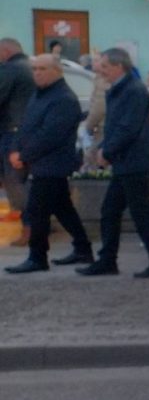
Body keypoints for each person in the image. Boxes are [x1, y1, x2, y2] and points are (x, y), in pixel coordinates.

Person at [75, 48, 149, 279]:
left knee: (139, 212)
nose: (100, 70)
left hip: (133, 160)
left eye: (105, 66)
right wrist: (105, 147)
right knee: (111, 211)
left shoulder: (133, 90)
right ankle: (108, 260)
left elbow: (128, 127)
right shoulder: (122, 89)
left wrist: (107, 150)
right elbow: (116, 126)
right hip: (126, 160)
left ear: (119, 67)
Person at [4, 55, 92, 274]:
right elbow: (25, 125)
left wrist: (24, 155)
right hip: (39, 161)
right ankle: (83, 248)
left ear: (57, 71)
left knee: (37, 211)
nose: (37, 73)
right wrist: (15, 149)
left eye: (42, 68)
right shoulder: (39, 94)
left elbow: (50, 135)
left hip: (53, 163)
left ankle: (37, 257)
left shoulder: (63, 98)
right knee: (63, 208)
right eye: (34, 69)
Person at [0, 36, 33, 244]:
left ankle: (29, 228)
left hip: (11, 131)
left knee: (15, 180)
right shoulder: (30, 67)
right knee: (22, 180)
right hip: (26, 130)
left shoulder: (10, 69)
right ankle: (31, 223)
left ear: (5, 51)